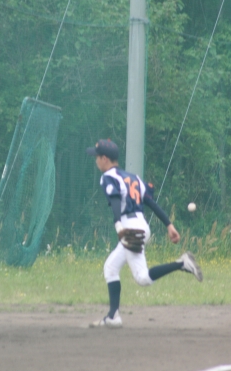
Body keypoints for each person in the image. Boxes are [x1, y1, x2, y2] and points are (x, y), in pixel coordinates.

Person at [86, 139, 202, 328]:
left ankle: (182, 263)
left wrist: (118, 226)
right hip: (140, 224)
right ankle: (113, 316)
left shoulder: (108, 177)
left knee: (142, 278)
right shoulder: (134, 178)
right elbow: (150, 202)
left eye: (97, 157)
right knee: (111, 267)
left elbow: (115, 201)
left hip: (130, 228)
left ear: (105, 158)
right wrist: (169, 224)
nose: (96, 160)